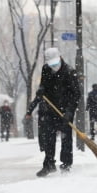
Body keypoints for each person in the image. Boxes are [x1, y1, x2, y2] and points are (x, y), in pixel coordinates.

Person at [26, 47, 80, 177]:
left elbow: (76, 95)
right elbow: (44, 86)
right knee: (49, 138)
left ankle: (66, 165)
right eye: (51, 64)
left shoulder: (70, 72)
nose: (54, 66)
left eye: (55, 63)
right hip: (50, 110)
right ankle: (49, 165)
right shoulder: (46, 69)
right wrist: (41, 89)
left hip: (65, 110)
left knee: (66, 139)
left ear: (60, 58)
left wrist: (69, 112)